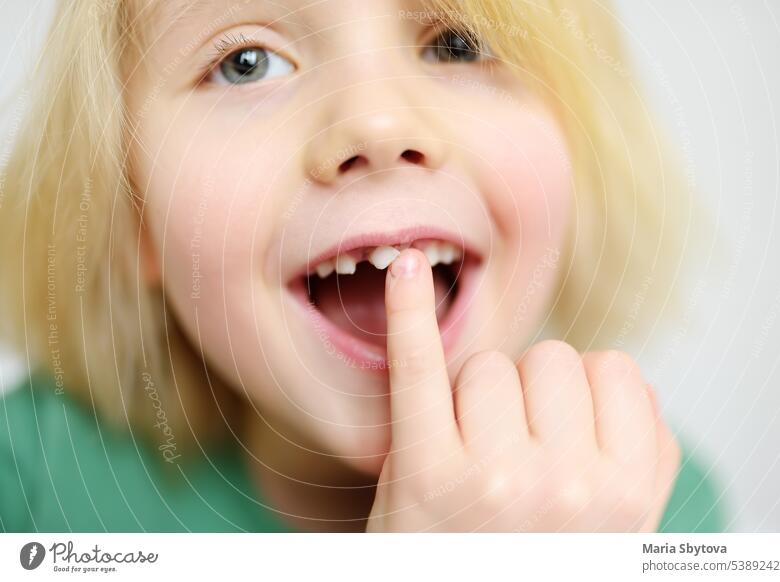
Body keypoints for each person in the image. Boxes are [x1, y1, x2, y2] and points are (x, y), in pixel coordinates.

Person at [0, 0, 726, 532]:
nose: (377, 124)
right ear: (132, 214)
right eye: (244, 63)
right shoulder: (31, 480)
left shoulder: (648, 505)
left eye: (459, 44)